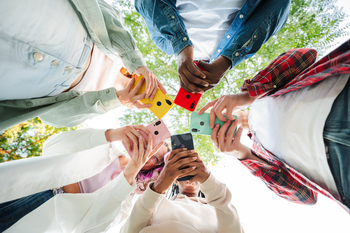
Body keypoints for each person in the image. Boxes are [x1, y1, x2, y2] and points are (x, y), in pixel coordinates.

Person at [198, 39, 350, 213]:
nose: (223, 119)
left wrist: (247, 95)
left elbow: (306, 55)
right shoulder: (258, 152)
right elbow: (305, 196)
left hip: (341, 97)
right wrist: (243, 154)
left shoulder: (260, 95)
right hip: (339, 171)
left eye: (219, 113)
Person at [0, 0, 167, 131]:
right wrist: (137, 63)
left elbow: (53, 118)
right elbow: (102, 10)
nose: (148, 92)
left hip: (25, 78)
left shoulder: (100, 105)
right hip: (52, 21)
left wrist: (117, 100)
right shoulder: (123, 51)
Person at [0, 126, 166, 232]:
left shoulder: (126, 199)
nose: (150, 152)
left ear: (155, 168)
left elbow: (90, 228)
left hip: (44, 217)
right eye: (153, 145)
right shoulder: (104, 146)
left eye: (156, 158)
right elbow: (50, 147)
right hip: (28, 182)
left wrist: (131, 170)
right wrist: (111, 134)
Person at [135, 0, 290, 94]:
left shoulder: (166, 43)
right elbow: (280, 5)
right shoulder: (241, 46)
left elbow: (144, 3)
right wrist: (227, 61)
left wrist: (181, 47)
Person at [121, 148, 244, 233]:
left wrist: (208, 180)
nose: (189, 175)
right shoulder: (157, 203)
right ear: (175, 180)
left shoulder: (216, 210)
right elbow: (129, 230)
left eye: (193, 170)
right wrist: (159, 186)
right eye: (184, 170)